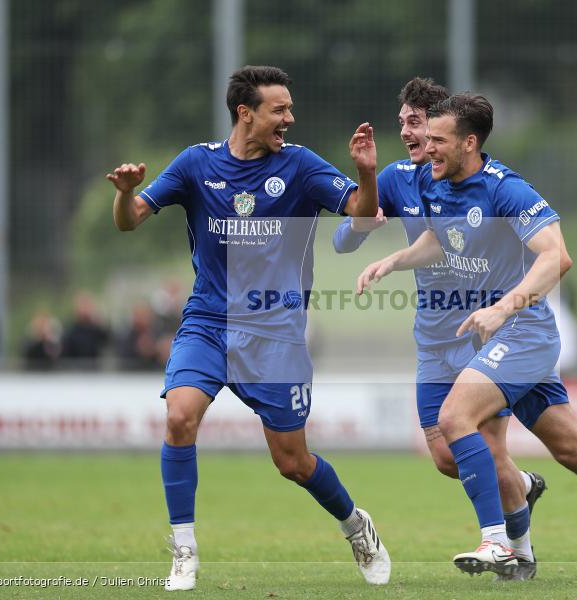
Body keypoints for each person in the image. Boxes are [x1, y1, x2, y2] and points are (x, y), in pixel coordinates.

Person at [357, 94, 577, 583]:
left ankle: (498, 543)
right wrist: (392, 261)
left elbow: (557, 257)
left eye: (439, 140)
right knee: (573, 451)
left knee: (454, 417)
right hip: (486, 338)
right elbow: (441, 238)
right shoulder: (437, 182)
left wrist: (504, 306)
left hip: (523, 332)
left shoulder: (508, 190)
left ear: (469, 142)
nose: (428, 146)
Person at [106, 65, 390, 590]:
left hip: (276, 333)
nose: (290, 117)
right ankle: (183, 552)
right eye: (279, 109)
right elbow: (129, 220)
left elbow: (362, 211)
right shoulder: (196, 164)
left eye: (289, 108)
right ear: (246, 113)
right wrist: (125, 193)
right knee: (179, 418)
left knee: (293, 462)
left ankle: (356, 524)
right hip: (209, 321)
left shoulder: (301, 166)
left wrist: (368, 172)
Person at [334, 77, 546, 580]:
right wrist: (367, 214)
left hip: (482, 332)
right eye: (403, 122)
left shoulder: (457, 176)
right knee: (446, 457)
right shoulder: (392, 177)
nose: (408, 132)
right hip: (432, 334)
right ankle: (521, 486)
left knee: (488, 448)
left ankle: (513, 551)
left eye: (418, 124)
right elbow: (344, 240)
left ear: (440, 133)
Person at [61, 291, 110, 370]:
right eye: (82, 305)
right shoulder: (70, 329)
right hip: (75, 373)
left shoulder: (96, 328)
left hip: (94, 372)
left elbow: (107, 340)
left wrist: (100, 322)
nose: (85, 309)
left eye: (87, 305)